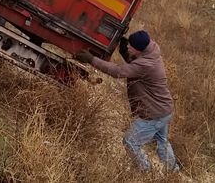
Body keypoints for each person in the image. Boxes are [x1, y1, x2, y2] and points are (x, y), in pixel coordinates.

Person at [75, 30, 179, 173]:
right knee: (162, 141)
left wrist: (91, 59)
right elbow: (136, 66)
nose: (128, 47)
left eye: (130, 46)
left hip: (154, 113)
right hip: (163, 110)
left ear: (139, 49)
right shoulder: (150, 52)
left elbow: (119, 72)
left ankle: (145, 172)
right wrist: (126, 53)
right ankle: (174, 172)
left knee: (130, 141)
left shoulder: (146, 64)